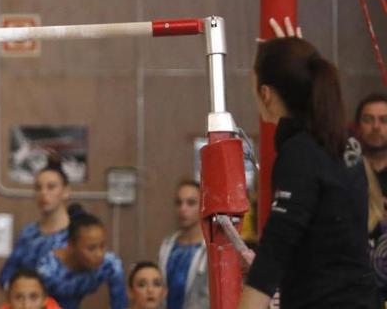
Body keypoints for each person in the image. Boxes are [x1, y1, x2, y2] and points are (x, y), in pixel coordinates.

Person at [238, 23, 378, 309]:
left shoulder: (300, 154)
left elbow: (275, 249)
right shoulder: (342, 140)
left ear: (266, 94)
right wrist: (297, 56)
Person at [17, 204, 127, 309]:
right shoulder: (47, 269)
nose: (99, 254)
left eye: (102, 246)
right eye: (91, 248)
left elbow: (120, 305)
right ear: (71, 245)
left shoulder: (109, 265)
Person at [0, 159, 70, 288]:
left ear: (65, 191)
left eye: (51, 187)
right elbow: (6, 275)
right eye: (38, 188)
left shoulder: (75, 234)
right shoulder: (28, 233)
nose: (43, 193)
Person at [157, 180, 208, 309]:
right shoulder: (168, 245)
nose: (183, 209)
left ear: (203, 206)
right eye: (179, 203)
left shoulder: (209, 249)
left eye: (191, 203)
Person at [356, 93, 387, 195]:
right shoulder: (346, 171)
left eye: (384, 120)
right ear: (358, 127)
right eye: (368, 120)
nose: (376, 127)